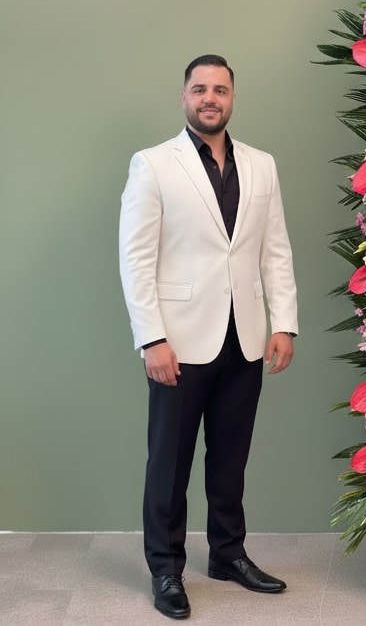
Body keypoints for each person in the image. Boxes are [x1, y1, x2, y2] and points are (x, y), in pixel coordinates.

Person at [118, 55, 298, 620]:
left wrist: (283, 323)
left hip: (244, 337)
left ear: (232, 97)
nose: (210, 98)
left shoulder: (262, 165)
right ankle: (165, 569)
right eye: (200, 89)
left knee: (230, 458)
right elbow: (136, 259)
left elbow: (275, 250)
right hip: (178, 341)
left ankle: (228, 554)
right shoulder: (153, 164)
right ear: (184, 97)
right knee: (168, 463)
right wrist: (151, 338)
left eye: (220, 89)